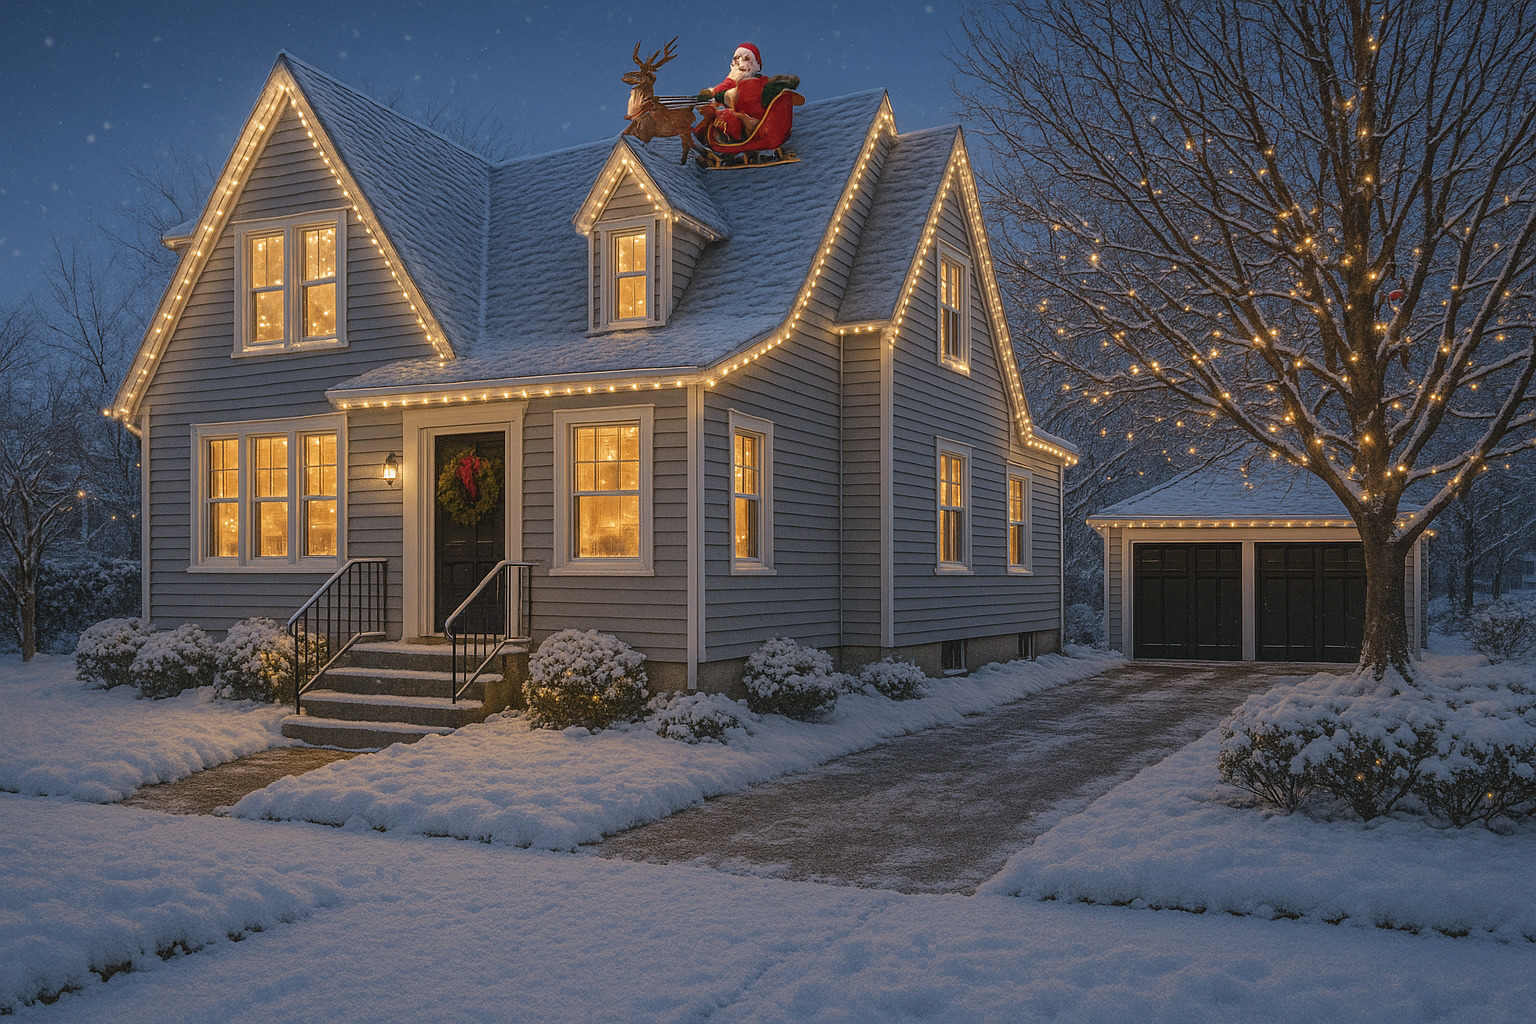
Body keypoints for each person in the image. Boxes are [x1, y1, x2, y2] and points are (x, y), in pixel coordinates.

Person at [693, 44, 771, 145]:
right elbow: (725, 86)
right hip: (738, 114)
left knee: (727, 118)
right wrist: (711, 93)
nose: (740, 63)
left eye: (746, 59)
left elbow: (745, 97)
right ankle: (707, 139)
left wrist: (724, 96)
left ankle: (729, 143)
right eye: (736, 58)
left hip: (754, 121)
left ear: (756, 64)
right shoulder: (734, 79)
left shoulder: (759, 82)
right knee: (711, 114)